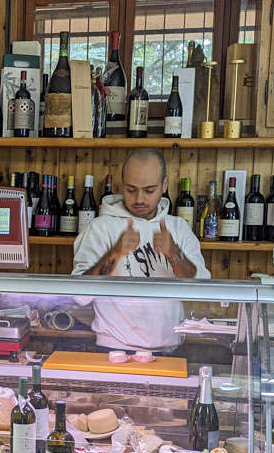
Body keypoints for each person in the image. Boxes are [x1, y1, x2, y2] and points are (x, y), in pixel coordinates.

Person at [71, 148, 208, 352]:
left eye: (149, 190)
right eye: (131, 190)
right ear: (122, 185)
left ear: (164, 185)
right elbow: (79, 296)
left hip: (169, 349)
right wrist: (114, 254)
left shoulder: (178, 228)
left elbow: (201, 290)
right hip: (113, 349)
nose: (139, 199)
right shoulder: (101, 228)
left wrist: (174, 254)